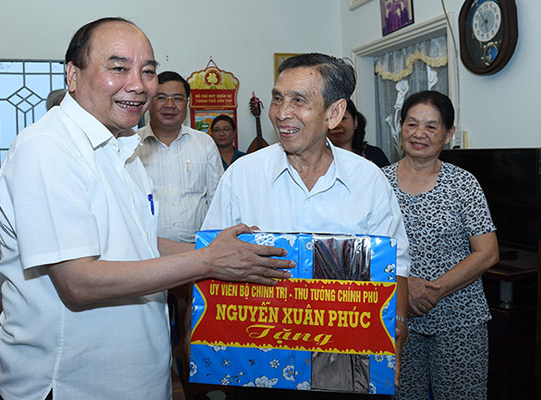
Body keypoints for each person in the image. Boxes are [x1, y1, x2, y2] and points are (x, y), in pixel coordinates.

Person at [0, 17, 293, 400]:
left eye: (147, 71)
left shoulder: (123, 147)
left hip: (137, 379)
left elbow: (141, 242)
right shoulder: (48, 148)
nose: (138, 85)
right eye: (119, 68)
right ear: (73, 74)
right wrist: (208, 261)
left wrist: (229, 253)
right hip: (75, 383)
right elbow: (78, 282)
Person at [202, 53, 410, 395]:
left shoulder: (368, 180)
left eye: (299, 101)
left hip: (345, 360)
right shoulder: (242, 175)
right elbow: (210, 259)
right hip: (258, 358)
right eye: (278, 99)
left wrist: (397, 328)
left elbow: (395, 264)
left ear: (334, 113)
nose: (282, 113)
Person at [382, 90, 499, 399]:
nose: (419, 133)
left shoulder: (464, 184)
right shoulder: (378, 183)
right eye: (411, 124)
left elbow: (487, 252)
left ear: (448, 134)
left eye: (431, 126)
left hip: (460, 318)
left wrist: (433, 290)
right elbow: (366, 248)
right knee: (402, 394)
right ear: (401, 127)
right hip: (396, 318)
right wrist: (407, 288)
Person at [137, 71, 224, 243]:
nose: (169, 105)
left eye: (177, 98)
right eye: (161, 98)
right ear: (149, 101)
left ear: (187, 103)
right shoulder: (131, 146)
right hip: (144, 250)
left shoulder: (204, 143)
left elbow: (218, 200)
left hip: (197, 250)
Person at [327, 99, 390, 167]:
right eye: (330, 119)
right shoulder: (320, 160)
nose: (336, 125)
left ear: (355, 122)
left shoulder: (375, 154)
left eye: (342, 118)